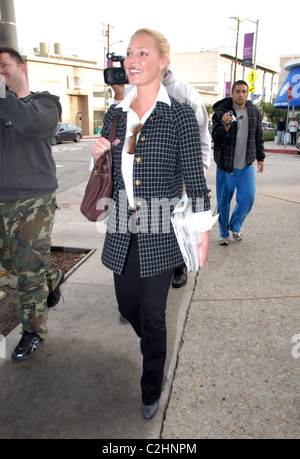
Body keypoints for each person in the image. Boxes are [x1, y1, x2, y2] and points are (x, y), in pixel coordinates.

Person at [91, 29, 215, 420]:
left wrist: (202, 231)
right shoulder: (115, 114)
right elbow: (111, 172)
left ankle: (151, 386)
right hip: (121, 222)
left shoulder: (178, 114)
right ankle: (154, 346)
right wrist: (99, 154)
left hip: (161, 222)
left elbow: (194, 177)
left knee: (154, 312)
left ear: (162, 61)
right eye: (129, 53)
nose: (132, 60)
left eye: (142, 52)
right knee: (128, 306)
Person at [111, 70, 211, 289]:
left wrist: (198, 171)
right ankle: (137, 291)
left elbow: (203, 135)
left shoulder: (185, 93)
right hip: (137, 184)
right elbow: (124, 140)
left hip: (173, 179)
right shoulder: (130, 93)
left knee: (171, 229)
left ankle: (177, 266)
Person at [0, 46, 64, 361]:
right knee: (11, 264)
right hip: (1, 198)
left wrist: (2, 96)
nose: (0, 71)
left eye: (4, 65)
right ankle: (50, 278)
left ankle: (32, 331)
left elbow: (29, 124)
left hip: (33, 200)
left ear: (22, 68)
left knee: (27, 272)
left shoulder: (45, 103)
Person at [212, 80, 265, 245]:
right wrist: (225, 127)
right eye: (237, 91)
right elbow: (215, 137)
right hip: (226, 165)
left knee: (248, 197)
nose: (241, 94)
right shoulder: (221, 113)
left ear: (247, 94)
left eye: (244, 91)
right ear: (232, 93)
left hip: (246, 164)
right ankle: (223, 234)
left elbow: (259, 136)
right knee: (223, 201)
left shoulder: (254, 112)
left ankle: (235, 225)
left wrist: (260, 157)